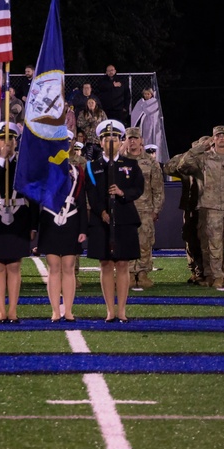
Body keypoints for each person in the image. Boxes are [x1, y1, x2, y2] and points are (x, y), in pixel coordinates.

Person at [176, 125, 224, 288]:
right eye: (218, 136)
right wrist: (200, 147)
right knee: (214, 244)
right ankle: (216, 276)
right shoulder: (204, 158)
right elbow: (182, 165)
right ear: (213, 138)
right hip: (210, 208)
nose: (221, 138)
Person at [84, 120, 143, 323]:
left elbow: (138, 188)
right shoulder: (92, 167)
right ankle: (110, 310)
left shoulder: (131, 165)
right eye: (106, 138)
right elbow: (91, 193)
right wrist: (101, 212)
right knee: (106, 264)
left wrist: (122, 192)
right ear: (100, 142)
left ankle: (122, 310)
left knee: (123, 264)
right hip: (102, 221)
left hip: (125, 219)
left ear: (121, 142)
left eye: (115, 138)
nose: (111, 141)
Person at [0, 122, 35, 323]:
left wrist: (33, 225)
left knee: (14, 266)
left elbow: (32, 195)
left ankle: (13, 311)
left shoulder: (25, 163)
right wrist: (2, 158)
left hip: (19, 216)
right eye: (2, 139)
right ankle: (1, 311)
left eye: (11, 138)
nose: (7, 143)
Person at [37, 136, 88, 322]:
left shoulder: (77, 171)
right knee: (54, 267)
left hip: (71, 220)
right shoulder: (44, 170)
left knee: (68, 267)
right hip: (50, 220)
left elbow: (81, 201)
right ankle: (55, 310)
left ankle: (68, 310)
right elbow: (37, 200)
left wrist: (83, 228)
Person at [124, 127, 165, 289]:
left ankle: (142, 273)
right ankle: (127, 273)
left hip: (145, 210)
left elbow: (158, 188)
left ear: (141, 140)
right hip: (125, 209)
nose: (132, 141)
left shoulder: (151, 162)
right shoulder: (119, 160)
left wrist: (156, 209)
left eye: (135, 138)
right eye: (129, 138)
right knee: (126, 242)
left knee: (145, 242)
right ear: (125, 140)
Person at [165, 138, 209, 285]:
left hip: (207, 207)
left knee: (207, 240)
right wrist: (191, 153)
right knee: (190, 239)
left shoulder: (211, 161)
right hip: (190, 205)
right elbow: (168, 168)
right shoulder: (186, 160)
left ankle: (205, 272)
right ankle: (195, 270)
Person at [130, 88, 164, 161]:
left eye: (148, 94)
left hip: (153, 125)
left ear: (151, 94)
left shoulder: (155, 102)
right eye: (145, 94)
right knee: (145, 139)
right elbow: (135, 113)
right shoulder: (140, 102)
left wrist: (144, 108)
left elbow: (151, 112)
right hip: (144, 125)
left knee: (153, 138)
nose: (146, 95)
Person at [77, 97, 106, 161]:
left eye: (92, 102)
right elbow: (79, 124)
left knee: (99, 159)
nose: (90, 104)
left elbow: (105, 124)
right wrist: (89, 122)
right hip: (88, 140)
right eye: (89, 103)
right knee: (88, 159)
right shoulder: (83, 113)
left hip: (98, 141)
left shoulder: (101, 113)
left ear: (95, 103)